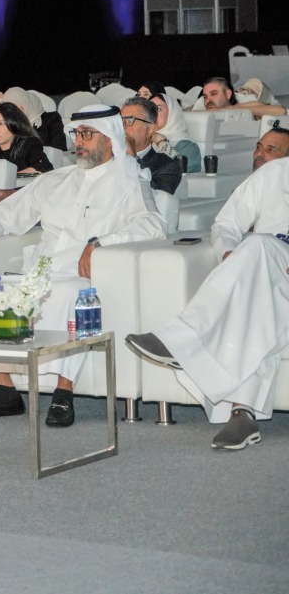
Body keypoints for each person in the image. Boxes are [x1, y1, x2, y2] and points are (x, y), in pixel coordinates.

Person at [0, 105, 165, 426]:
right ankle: (4, 391)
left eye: (87, 135)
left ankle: (63, 395)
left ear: (109, 139)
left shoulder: (131, 182)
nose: (79, 141)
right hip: (39, 270)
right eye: (76, 134)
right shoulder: (55, 180)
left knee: (68, 293)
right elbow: (10, 212)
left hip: (86, 276)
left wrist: (100, 244)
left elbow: (152, 226)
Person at [125, 154, 289, 450]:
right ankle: (242, 412)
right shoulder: (274, 173)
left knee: (257, 247)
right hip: (265, 271)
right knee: (255, 286)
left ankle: (183, 339)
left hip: (270, 260)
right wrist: (229, 254)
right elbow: (226, 222)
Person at [121, 97, 181, 196]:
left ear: (150, 129)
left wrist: (132, 159)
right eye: (120, 121)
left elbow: (155, 201)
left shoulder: (167, 166)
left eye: (129, 120)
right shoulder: (108, 157)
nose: (122, 126)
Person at [0, 102, 54, 175]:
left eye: (1, 124)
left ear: (14, 124)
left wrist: (9, 178)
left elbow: (43, 167)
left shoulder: (29, 144)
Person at [149, 87, 201, 172]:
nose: (153, 113)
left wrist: (162, 142)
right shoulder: (143, 140)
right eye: (150, 109)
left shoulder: (187, 146)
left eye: (158, 109)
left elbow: (182, 169)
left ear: (172, 113)